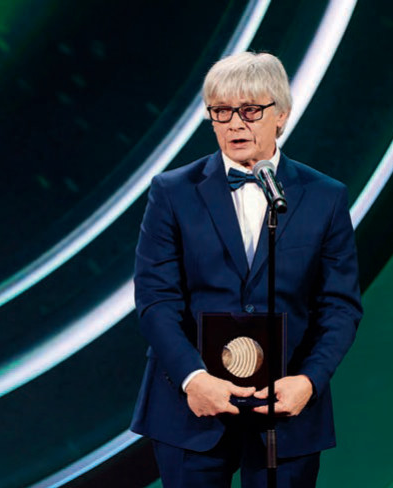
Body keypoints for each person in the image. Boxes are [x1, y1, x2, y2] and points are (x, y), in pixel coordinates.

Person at [130, 51, 362, 487]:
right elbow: (155, 299)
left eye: (250, 110)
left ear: (281, 114)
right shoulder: (172, 191)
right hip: (191, 408)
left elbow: (340, 306)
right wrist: (193, 379)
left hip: (286, 409)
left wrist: (309, 381)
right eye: (221, 111)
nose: (235, 124)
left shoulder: (325, 196)